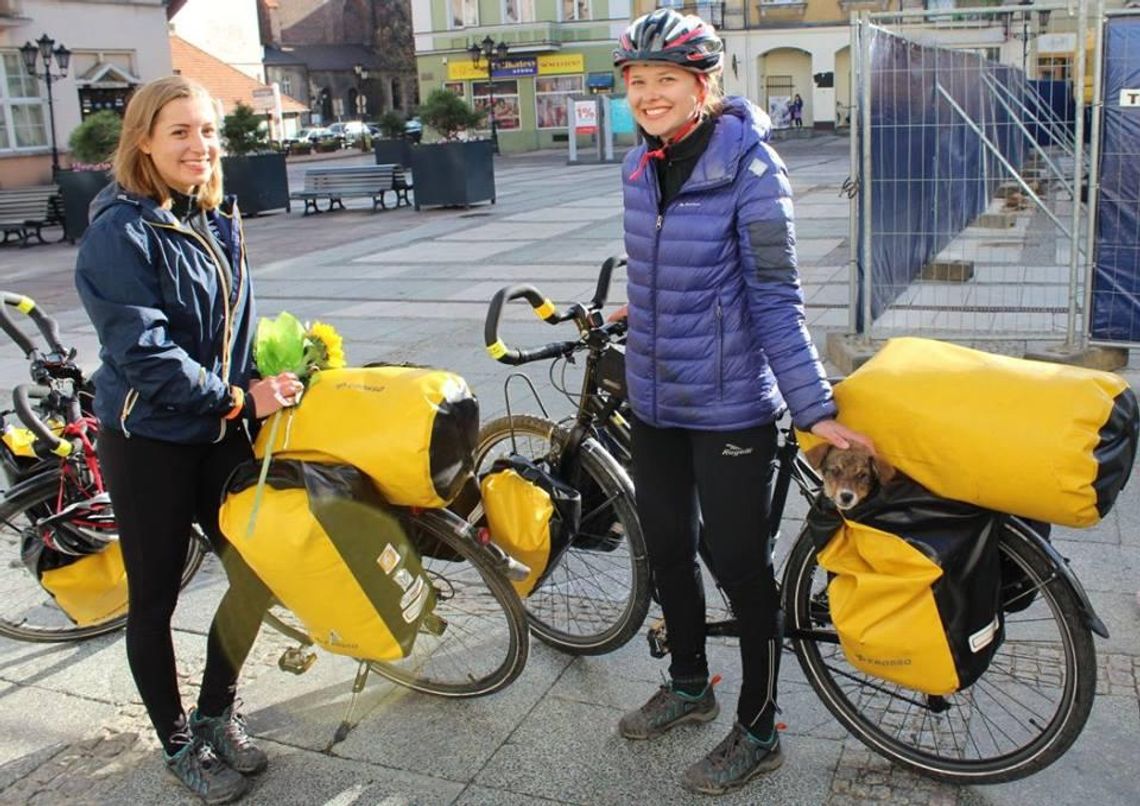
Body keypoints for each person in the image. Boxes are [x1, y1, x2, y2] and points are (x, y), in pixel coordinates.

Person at [609, 9, 872, 796]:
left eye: (666, 81)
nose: (649, 95)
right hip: (655, 397)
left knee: (737, 563)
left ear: (702, 86)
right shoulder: (639, 164)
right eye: (637, 82)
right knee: (665, 544)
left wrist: (811, 403)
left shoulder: (754, 172)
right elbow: (665, 263)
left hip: (729, 409)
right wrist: (638, 307)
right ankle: (690, 683)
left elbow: (776, 299)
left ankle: (759, 729)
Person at [75, 76, 305, 804]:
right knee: (155, 599)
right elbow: (143, 352)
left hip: (217, 429)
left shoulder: (215, 217)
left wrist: (270, 376)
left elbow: (232, 327)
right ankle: (176, 739)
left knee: (258, 571)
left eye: (207, 131)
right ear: (143, 138)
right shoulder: (119, 230)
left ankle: (213, 710)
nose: (199, 146)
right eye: (180, 132)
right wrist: (237, 396)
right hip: (149, 439)